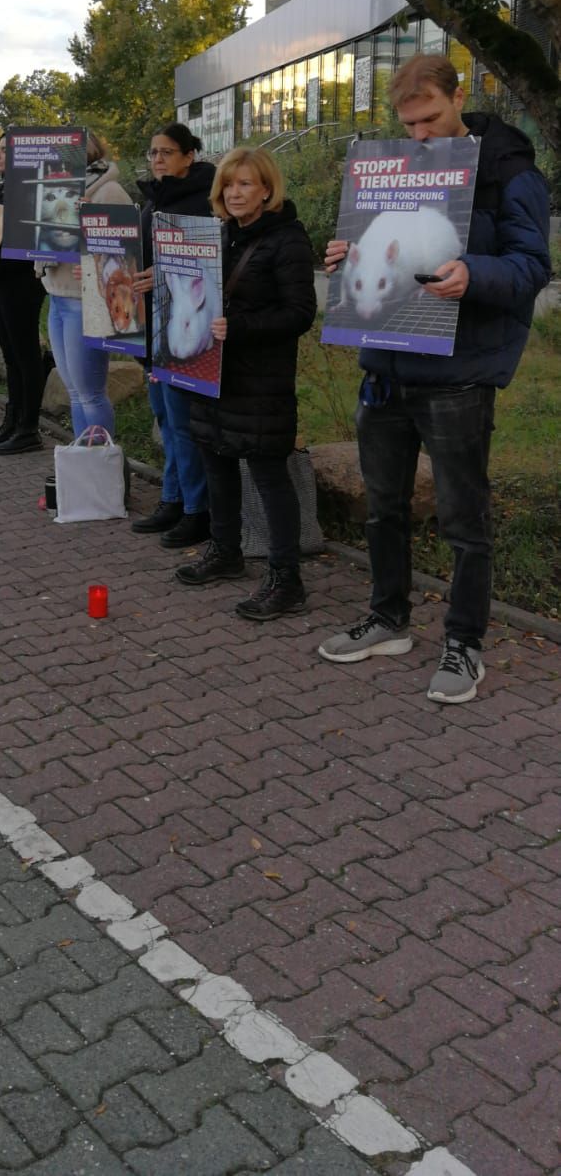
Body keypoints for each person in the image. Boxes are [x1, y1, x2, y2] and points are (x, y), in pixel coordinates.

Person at [318, 53, 551, 703]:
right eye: (407, 121)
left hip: (458, 374)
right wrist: (344, 254)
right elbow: (369, 254)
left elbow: (531, 265)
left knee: (461, 517)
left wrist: (473, 273)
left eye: (428, 118)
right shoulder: (388, 168)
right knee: (382, 506)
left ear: (458, 97)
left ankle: (463, 643)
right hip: (385, 368)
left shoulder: (508, 172)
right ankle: (387, 616)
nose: (417, 134)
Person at [175, 145, 318, 621]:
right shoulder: (219, 235)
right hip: (213, 372)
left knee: (268, 475)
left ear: (267, 189)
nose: (235, 194)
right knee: (216, 460)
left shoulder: (287, 240)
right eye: (229, 185)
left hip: (260, 380)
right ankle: (226, 550)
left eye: (245, 184)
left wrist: (240, 327)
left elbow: (300, 314)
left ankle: (286, 578)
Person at [131, 124, 216, 547]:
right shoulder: (152, 200)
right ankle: (171, 498)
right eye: (152, 153)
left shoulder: (205, 202)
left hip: (184, 330)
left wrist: (161, 277)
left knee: (184, 424)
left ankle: (195, 510)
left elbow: (208, 266)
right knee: (164, 418)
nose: (157, 159)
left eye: (166, 152)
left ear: (189, 156)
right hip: (150, 327)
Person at [41, 132, 133, 442]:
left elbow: (121, 256)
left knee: (90, 393)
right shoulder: (54, 188)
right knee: (74, 391)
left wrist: (84, 225)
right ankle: (86, 462)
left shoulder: (108, 191)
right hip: (56, 295)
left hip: (83, 301)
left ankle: (102, 471)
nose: (57, 158)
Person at [0, 134, 48, 455]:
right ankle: (13, 418)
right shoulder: (2, 190)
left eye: (3, 151)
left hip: (22, 281)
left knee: (25, 356)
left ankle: (28, 427)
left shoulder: (30, 191)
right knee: (11, 355)